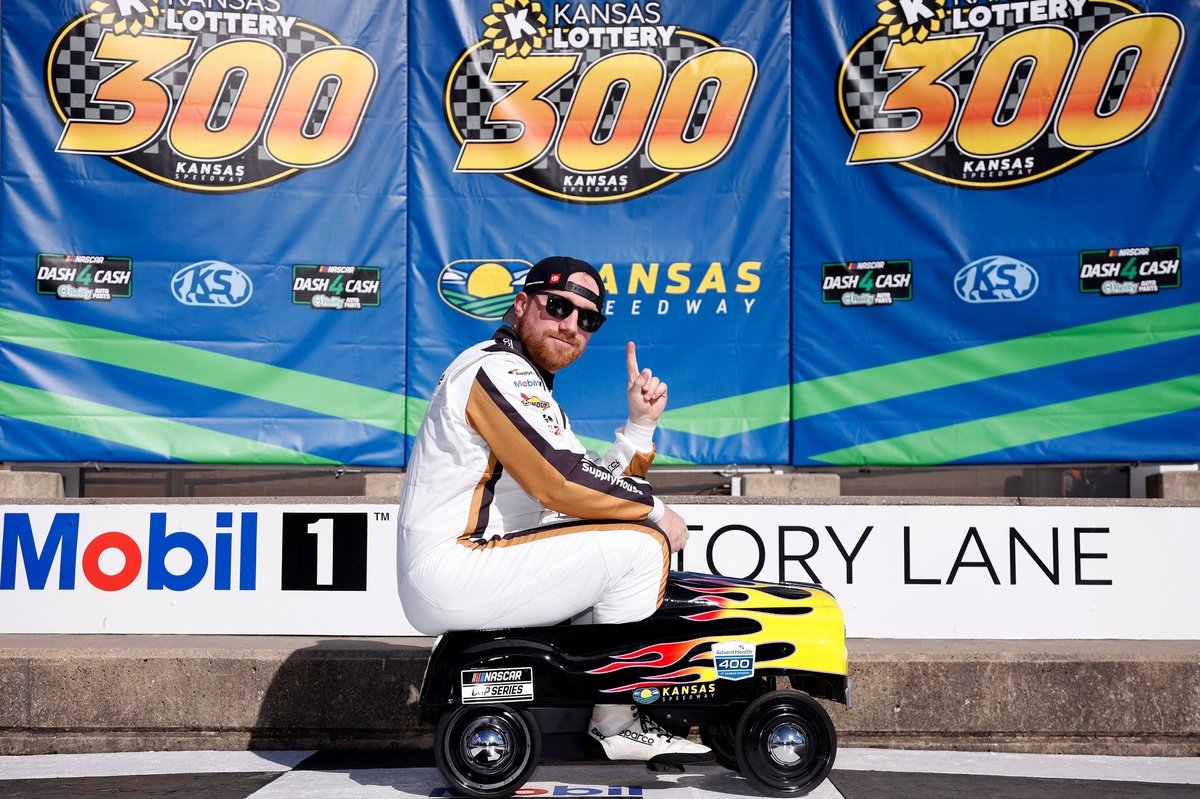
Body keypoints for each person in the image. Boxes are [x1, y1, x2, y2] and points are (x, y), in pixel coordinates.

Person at [397, 255, 711, 765]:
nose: (571, 325)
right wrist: (656, 511)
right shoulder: (497, 370)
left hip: (473, 561)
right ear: (522, 304)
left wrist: (639, 426)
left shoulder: (524, 380)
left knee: (625, 534)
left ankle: (596, 708)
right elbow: (561, 481)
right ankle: (618, 724)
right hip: (458, 563)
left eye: (588, 319)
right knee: (641, 546)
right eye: (558, 307)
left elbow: (587, 485)